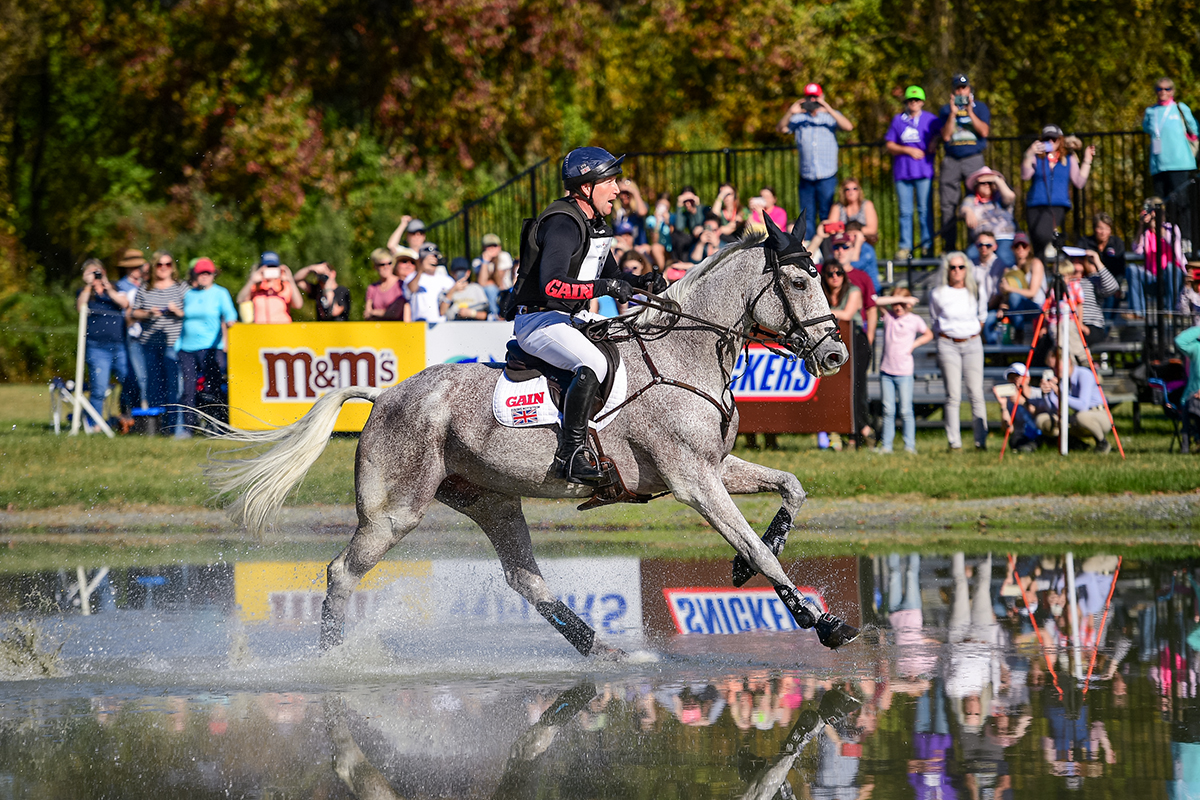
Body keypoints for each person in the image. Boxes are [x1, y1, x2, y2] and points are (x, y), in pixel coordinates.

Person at [506, 146, 665, 484]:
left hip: (569, 320)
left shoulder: (596, 225)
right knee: (592, 364)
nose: (618, 189)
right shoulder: (563, 223)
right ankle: (571, 455)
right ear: (586, 186)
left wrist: (641, 282)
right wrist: (605, 287)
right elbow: (553, 286)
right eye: (610, 181)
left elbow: (613, 278)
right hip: (539, 320)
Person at [777, 83, 855, 240]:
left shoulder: (830, 116)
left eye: (815, 97)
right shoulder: (798, 118)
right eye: (809, 97)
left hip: (827, 175)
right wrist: (790, 112)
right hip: (806, 175)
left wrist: (827, 107)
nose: (812, 99)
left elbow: (848, 127)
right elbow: (780, 128)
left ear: (822, 96)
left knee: (827, 214)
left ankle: (827, 250)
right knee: (807, 216)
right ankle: (811, 252)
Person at [929, 252, 988, 450]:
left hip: (972, 343)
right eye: (953, 267)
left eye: (961, 267)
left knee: (976, 393)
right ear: (947, 270)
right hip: (948, 344)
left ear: (966, 270)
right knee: (953, 395)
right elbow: (935, 320)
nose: (957, 271)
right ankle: (954, 442)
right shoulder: (938, 293)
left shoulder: (976, 290)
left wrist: (970, 332)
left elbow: (982, 317)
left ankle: (981, 441)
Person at [176, 258, 237, 437]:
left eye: (207, 273)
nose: (204, 276)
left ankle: (216, 425)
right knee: (188, 389)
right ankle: (188, 428)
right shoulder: (189, 295)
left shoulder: (220, 293)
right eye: (201, 273)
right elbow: (183, 319)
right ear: (195, 274)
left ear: (213, 275)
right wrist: (177, 345)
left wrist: (231, 320)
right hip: (186, 348)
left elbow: (229, 312)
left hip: (210, 348)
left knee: (212, 388)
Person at [130, 251, 189, 434]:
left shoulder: (181, 288)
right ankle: (158, 428)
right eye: (160, 264)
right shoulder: (145, 288)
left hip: (174, 344)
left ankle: (176, 427)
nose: (164, 268)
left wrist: (177, 311)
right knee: (153, 387)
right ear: (154, 267)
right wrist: (148, 313)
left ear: (173, 267)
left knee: (175, 386)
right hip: (149, 344)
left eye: (168, 264)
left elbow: (193, 312)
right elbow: (134, 313)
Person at [830, 232, 877, 446]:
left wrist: (871, 336)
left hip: (856, 340)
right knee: (839, 389)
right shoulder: (824, 274)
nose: (834, 276)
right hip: (835, 342)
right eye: (837, 247)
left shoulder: (860, 279)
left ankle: (863, 429)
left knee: (857, 388)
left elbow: (870, 308)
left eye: (845, 247)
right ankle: (848, 433)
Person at [1020, 125, 1094, 259]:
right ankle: (1041, 276)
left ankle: (1050, 243)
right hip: (1034, 205)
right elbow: (1025, 175)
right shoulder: (1037, 158)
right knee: (1037, 249)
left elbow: (1079, 181)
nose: (1050, 142)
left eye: (1053, 139)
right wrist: (1029, 153)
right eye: (1046, 139)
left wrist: (1087, 160)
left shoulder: (1068, 159)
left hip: (1057, 204)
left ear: (1060, 141)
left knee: (1042, 234)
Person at [885, 86, 942, 259]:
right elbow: (890, 144)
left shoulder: (930, 119)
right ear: (906, 103)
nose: (913, 103)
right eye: (910, 100)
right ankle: (905, 247)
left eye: (916, 100)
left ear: (922, 102)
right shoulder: (898, 120)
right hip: (903, 172)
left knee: (925, 210)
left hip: (924, 171)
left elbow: (943, 133)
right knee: (905, 211)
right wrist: (908, 150)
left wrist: (935, 141)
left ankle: (927, 246)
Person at [938, 74, 992, 252]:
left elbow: (984, 132)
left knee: (977, 200)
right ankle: (950, 246)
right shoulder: (946, 110)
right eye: (957, 88)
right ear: (953, 91)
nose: (961, 91)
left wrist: (969, 112)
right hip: (952, 159)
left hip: (973, 159)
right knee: (948, 205)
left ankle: (975, 245)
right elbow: (945, 136)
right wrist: (953, 114)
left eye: (964, 88)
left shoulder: (980, 107)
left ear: (970, 89)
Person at [875, 289, 933, 454]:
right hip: (886, 370)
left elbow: (928, 334)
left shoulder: (914, 320)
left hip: (905, 372)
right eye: (895, 303)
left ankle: (909, 446)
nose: (898, 306)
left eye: (902, 303)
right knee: (888, 410)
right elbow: (875, 301)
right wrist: (897, 297)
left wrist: (913, 345)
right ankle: (887, 446)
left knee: (906, 410)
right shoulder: (889, 317)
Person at [76, 258, 131, 429]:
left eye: (98, 272)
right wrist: (88, 285)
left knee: (129, 382)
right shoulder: (85, 291)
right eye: (91, 272)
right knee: (99, 388)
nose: (96, 275)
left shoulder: (114, 288)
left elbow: (125, 303)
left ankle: (129, 419)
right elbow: (80, 307)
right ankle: (95, 424)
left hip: (119, 346)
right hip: (97, 347)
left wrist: (107, 287)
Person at [1029, 349, 1113, 453]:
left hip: (1098, 415)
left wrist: (1060, 395)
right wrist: (1046, 394)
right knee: (1042, 419)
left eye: (1056, 366)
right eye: (1051, 368)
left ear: (1067, 361)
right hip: (1075, 418)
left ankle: (1102, 442)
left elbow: (1083, 406)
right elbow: (1053, 409)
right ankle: (1075, 443)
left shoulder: (1084, 374)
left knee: (1081, 417)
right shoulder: (1060, 379)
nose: (1054, 371)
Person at [1142, 78, 1198, 213]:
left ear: (1172, 91)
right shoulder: (1151, 111)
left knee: (1181, 201)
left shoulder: (1180, 108)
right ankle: (1164, 233)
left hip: (1179, 163)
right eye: (1159, 89)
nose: (1163, 92)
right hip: (1158, 164)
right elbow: (1147, 129)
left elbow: (1195, 130)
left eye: (1167, 89)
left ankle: (1184, 234)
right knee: (1160, 203)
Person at [1130, 198, 1187, 319]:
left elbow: (1174, 244)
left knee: (1171, 268)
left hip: (1171, 277)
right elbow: (1137, 250)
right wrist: (1141, 226)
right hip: (1152, 277)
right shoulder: (1146, 233)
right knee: (1132, 269)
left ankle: (1170, 310)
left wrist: (1158, 227)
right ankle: (1138, 312)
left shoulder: (1171, 228)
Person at [114, 249, 149, 413]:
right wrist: (143, 314)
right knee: (135, 376)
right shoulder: (121, 286)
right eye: (135, 267)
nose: (138, 270)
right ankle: (132, 411)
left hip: (148, 335)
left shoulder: (146, 284)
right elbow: (125, 313)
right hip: (132, 335)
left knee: (147, 375)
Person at [959, 167, 1016, 264]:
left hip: (1003, 237)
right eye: (983, 183)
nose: (987, 185)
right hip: (982, 241)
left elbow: (1011, 197)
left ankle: (1009, 278)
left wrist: (996, 179)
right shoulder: (971, 199)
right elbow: (963, 209)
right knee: (971, 255)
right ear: (976, 186)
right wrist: (968, 212)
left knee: (1003, 256)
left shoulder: (1000, 197)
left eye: (990, 183)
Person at [998, 232, 1046, 343]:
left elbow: (1032, 293)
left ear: (1028, 248)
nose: (1020, 249)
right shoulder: (1010, 269)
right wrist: (1002, 304)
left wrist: (1009, 289)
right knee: (991, 318)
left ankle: (1019, 332)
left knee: (1015, 296)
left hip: (1036, 308)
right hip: (1017, 308)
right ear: (1012, 248)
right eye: (1017, 246)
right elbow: (1005, 294)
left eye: (1024, 246)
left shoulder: (1035, 263)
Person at [236, 252, 303, 323]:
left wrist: (291, 281)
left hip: (282, 330)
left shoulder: (285, 285)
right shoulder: (257, 286)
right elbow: (240, 300)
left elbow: (298, 305)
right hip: (261, 330)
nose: (270, 270)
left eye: (273, 267)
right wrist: (251, 281)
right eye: (268, 267)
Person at [994, 362, 1042, 452]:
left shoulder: (1038, 394)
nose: (1014, 380)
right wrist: (1003, 406)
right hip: (1022, 434)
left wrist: (1023, 402)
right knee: (1014, 441)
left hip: (1039, 432)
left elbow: (1040, 415)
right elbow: (1009, 429)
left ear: (1027, 378)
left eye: (1018, 377)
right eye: (1011, 378)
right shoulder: (1009, 400)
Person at [972, 231, 1010, 345]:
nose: (984, 248)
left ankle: (994, 357)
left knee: (988, 322)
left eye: (988, 245)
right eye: (980, 245)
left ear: (995, 247)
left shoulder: (1001, 265)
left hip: (993, 307)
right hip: (974, 307)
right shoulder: (970, 265)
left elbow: (1000, 294)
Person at [408, 244, 456, 323]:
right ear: (420, 260)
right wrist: (421, 270)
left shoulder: (447, 280)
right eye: (427, 258)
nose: (432, 260)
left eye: (434, 257)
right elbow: (412, 289)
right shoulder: (413, 277)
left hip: (441, 325)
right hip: (419, 325)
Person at [363, 247, 411, 321]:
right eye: (382, 264)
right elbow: (367, 314)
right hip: (377, 330)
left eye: (389, 263)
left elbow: (395, 314)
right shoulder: (372, 288)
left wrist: (374, 312)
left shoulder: (401, 285)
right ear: (375, 267)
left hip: (397, 329)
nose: (386, 267)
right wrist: (383, 313)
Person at [472, 233, 514, 318]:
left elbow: (499, 282)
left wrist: (495, 260)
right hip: (488, 294)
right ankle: (493, 315)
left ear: (499, 247)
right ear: (483, 248)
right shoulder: (477, 261)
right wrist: (485, 262)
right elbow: (482, 283)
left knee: (491, 288)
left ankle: (497, 315)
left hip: (505, 292)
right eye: (488, 246)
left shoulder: (504, 256)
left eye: (494, 246)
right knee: (490, 288)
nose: (491, 249)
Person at [672, 186, 707, 256]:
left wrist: (697, 206)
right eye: (685, 201)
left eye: (691, 201)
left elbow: (699, 223)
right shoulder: (684, 214)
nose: (688, 204)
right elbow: (679, 227)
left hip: (704, 240)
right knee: (677, 236)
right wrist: (679, 206)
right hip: (691, 244)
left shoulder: (704, 210)